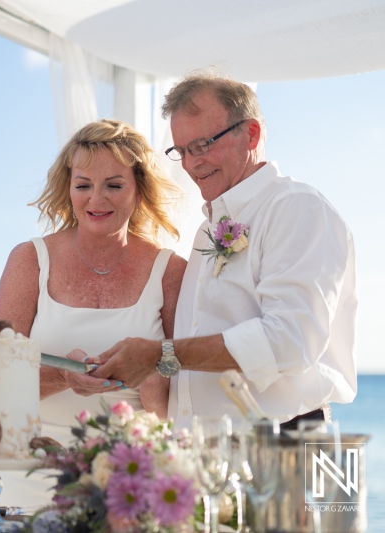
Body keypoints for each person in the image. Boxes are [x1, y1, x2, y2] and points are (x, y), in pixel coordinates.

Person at [90, 72, 357, 431]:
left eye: (202, 145)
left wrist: (160, 355)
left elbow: (290, 340)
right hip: (207, 455)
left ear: (251, 134)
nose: (190, 164)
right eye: (181, 151)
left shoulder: (297, 209)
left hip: (282, 447)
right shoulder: (206, 228)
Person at [0, 119, 186, 507]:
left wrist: (154, 383)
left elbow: (184, 398)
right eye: (83, 185)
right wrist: (65, 375)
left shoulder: (171, 271)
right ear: (69, 188)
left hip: (133, 482)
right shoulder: (30, 260)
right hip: (33, 474)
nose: (97, 199)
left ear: (139, 189)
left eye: (114, 185)